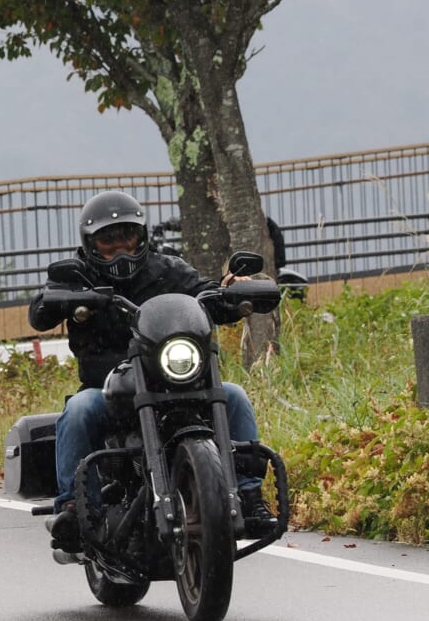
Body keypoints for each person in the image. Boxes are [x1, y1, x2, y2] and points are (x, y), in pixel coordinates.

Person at [28, 190, 273, 554]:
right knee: (78, 410)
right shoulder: (79, 276)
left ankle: (249, 493)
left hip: (173, 379)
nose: (120, 247)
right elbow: (40, 311)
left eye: (127, 235)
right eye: (108, 240)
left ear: (142, 236)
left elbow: (203, 292)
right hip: (109, 387)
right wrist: (60, 299)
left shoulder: (168, 268)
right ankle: (76, 508)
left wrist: (230, 293)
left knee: (233, 395)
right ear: (91, 244)